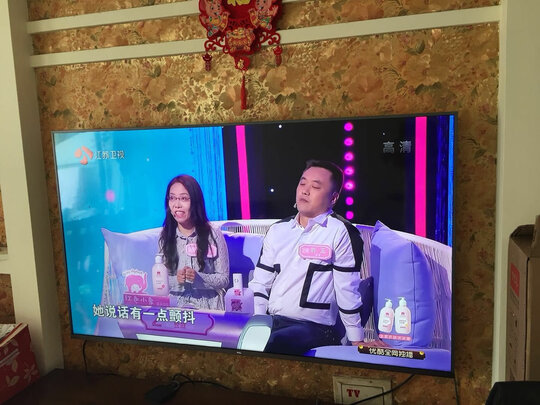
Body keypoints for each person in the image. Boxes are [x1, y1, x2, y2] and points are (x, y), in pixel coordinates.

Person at [248, 160, 366, 355]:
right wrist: (257, 322)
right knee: (239, 338)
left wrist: (357, 339)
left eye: (315, 187)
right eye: (302, 183)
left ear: (334, 198)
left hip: (315, 328)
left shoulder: (341, 232)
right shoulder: (278, 230)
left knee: (273, 343)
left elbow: (347, 290)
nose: (305, 190)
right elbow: (261, 283)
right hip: (272, 321)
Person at [159, 174, 229, 310]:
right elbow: (160, 281)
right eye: (172, 198)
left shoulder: (213, 233)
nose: (177, 205)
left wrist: (199, 278)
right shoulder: (166, 235)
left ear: (195, 202)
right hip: (177, 308)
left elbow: (224, 279)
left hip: (209, 307)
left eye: (183, 199)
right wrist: (177, 279)